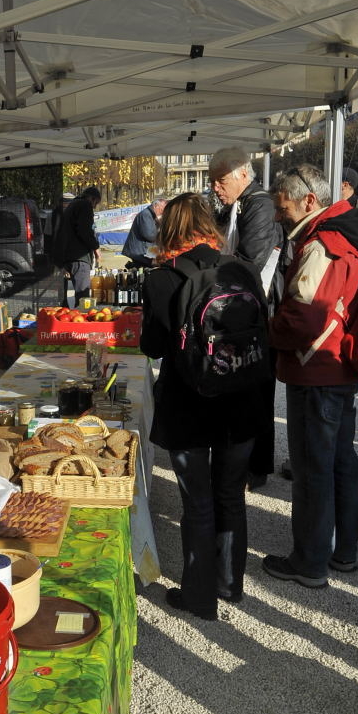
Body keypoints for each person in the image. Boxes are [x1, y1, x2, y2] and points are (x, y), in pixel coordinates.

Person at [140, 193, 268, 620]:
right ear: (208, 226)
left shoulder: (161, 278)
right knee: (230, 494)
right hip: (242, 398)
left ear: (169, 229)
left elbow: (152, 347)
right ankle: (230, 584)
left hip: (188, 404)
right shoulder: (243, 270)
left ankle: (198, 596)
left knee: (197, 502)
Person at [262, 164, 358, 588]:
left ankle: (309, 562)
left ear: (309, 201)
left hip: (317, 368)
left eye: (282, 207)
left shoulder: (324, 242)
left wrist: (267, 331)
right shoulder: (349, 229)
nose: (278, 215)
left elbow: (304, 318)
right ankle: (343, 552)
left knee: (312, 469)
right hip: (340, 364)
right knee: (340, 460)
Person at [208, 146, 284, 489]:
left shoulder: (260, 205)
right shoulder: (239, 203)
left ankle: (257, 465)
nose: (215, 187)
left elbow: (250, 258)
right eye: (212, 181)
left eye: (220, 180)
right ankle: (244, 460)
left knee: (257, 388)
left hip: (258, 309)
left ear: (242, 174)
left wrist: (211, 266)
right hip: (244, 305)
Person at [52, 185, 101, 303]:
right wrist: (96, 248)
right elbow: (85, 231)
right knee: (83, 298)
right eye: (95, 203)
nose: (94, 207)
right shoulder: (85, 205)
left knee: (71, 300)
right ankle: (82, 314)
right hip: (80, 257)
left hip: (68, 257)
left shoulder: (72, 205)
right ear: (92, 198)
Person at [122, 190, 167, 267]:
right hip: (139, 251)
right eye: (162, 210)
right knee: (144, 268)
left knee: (153, 266)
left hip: (144, 250)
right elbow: (150, 236)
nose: (162, 213)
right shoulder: (146, 215)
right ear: (156, 206)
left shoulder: (151, 215)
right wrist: (160, 229)